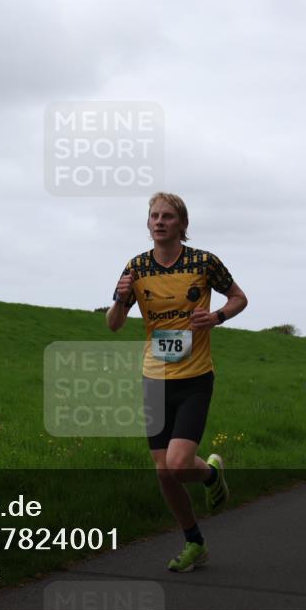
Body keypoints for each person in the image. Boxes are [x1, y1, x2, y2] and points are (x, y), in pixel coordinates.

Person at [106, 192, 247, 573]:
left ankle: (211, 473)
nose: (160, 221)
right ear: (148, 222)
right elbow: (114, 324)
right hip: (154, 378)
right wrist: (120, 300)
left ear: (182, 225)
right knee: (164, 472)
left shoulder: (204, 262)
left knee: (180, 463)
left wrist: (216, 317)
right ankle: (194, 543)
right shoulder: (136, 268)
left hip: (195, 377)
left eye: (168, 216)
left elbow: (239, 298)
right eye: (154, 215)